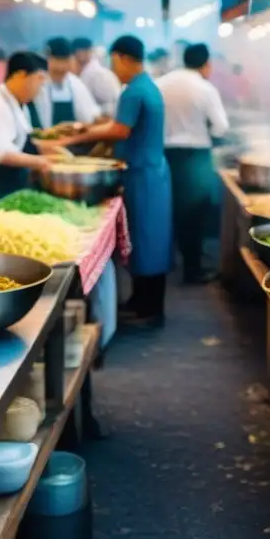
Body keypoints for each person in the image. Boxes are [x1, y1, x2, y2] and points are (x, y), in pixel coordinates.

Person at [47, 36, 172, 327]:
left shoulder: (133, 91)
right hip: (153, 173)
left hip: (142, 176)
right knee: (150, 239)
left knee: (144, 239)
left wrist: (75, 137)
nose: (113, 69)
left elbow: (119, 131)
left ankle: (148, 309)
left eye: (114, 62)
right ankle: (143, 303)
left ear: (123, 58)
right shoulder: (148, 87)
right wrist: (86, 127)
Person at [157, 43, 229, 283]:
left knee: (172, 209)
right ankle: (193, 269)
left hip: (166, 156)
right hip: (195, 158)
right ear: (206, 64)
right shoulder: (205, 88)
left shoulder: (162, 83)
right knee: (195, 212)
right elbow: (221, 126)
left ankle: (171, 260)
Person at [0, 51, 53, 207]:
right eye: (39, 80)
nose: (40, 89)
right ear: (20, 75)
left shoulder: (19, 105)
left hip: (11, 186)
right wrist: (41, 162)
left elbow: (26, 141)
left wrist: (54, 152)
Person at [31, 37, 101, 128]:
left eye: (64, 71)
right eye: (56, 71)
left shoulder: (76, 84)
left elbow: (90, 116)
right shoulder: (36, 84)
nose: (61, 68)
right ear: (47, 60)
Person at [73, 38, 121, 117]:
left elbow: (112, 105)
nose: (80, 54)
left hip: (105, 120)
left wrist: (92, 111)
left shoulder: (98, 74)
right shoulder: (87, 72)